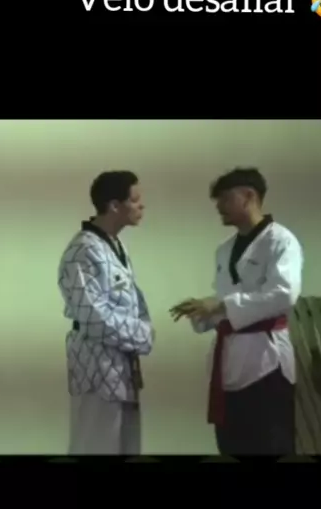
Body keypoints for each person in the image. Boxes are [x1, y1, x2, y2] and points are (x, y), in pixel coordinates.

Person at [170, 167, 303, 456]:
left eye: (225, 199)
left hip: (267, 360)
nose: (219, 207)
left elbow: (284, 294)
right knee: (231, 444)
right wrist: (203, 310)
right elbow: (225, 298)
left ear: (249, 196)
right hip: (230, 357)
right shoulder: (224, 249)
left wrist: (220, 305)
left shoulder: (281, 241)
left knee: (268, 445)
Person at [57, 170, 154, 455]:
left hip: (122, 366)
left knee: (125, 446)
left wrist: (143, 330)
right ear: (114, 205)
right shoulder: (82, 250)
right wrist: (142, 335)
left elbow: (133, 302)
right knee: (96, 446)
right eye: (135, 200)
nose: (141, 206)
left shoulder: (115, 245)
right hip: (95, 369)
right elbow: (93, 316)